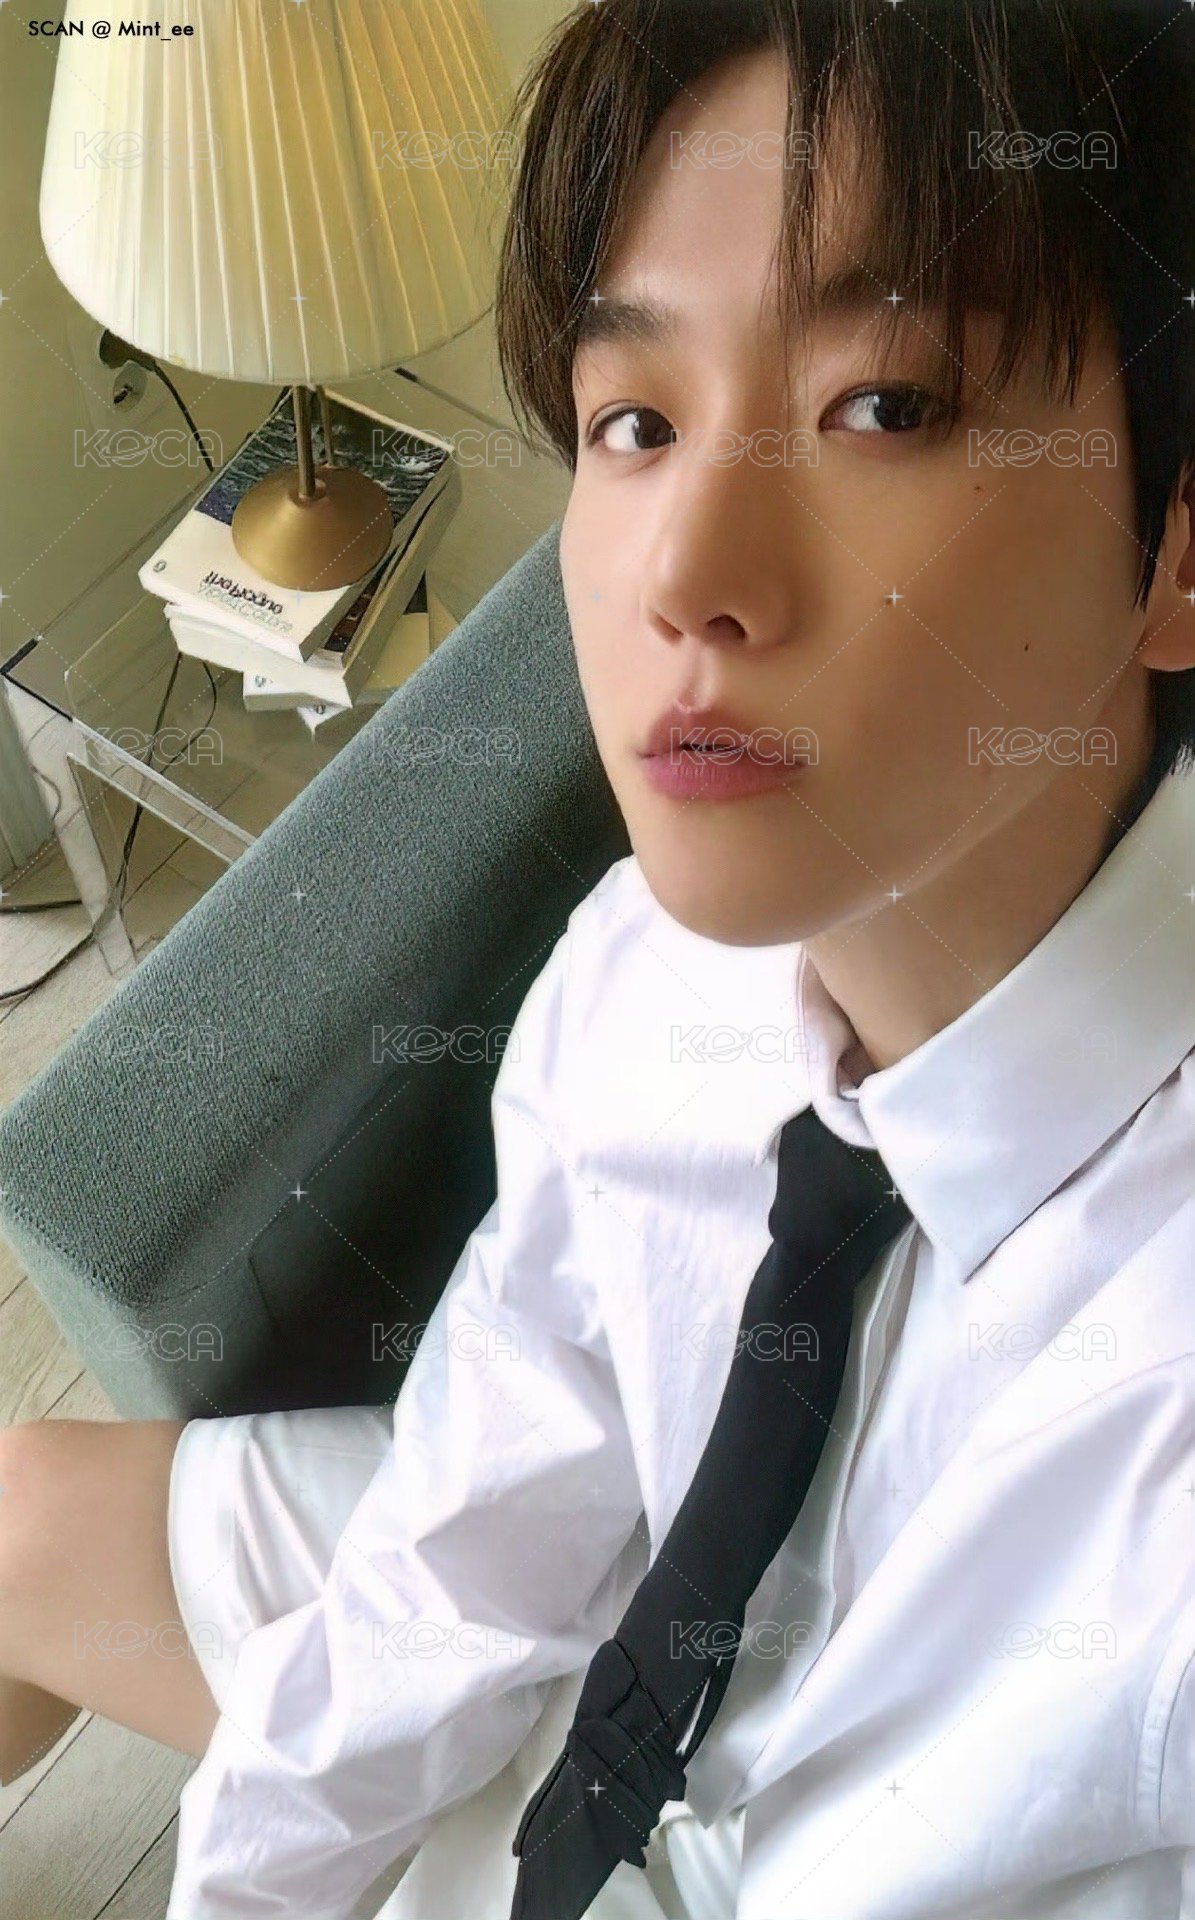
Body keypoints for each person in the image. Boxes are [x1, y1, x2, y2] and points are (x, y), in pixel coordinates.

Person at [2, 2, 1195, 1915]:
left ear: (1176, 547)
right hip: (617, 1624)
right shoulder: (651, 968)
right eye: (635, 423)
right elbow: (482, 1515)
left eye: (883, 406)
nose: (685, 570)